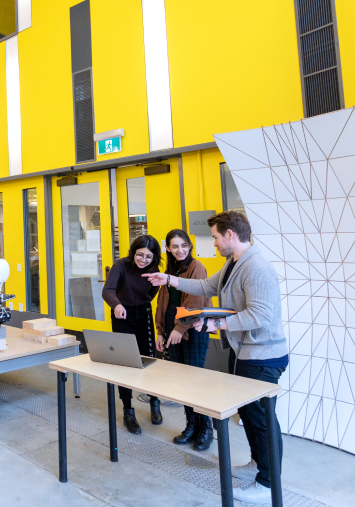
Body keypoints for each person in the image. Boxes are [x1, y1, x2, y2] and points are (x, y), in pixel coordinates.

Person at [143, 211, 287, 505]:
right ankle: (257, 466)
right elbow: (206, 287)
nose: (214, 243)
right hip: (244, 353)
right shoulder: (234, 264)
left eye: (216, 237)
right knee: (247, 413)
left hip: (263, 355)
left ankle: (269, 483)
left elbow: (260, 315)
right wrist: (169, 279)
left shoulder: (256, 267)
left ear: (231, 235)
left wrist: (215, 324)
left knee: (261, 418)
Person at [154, 229, 214, 451]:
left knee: (195, 379)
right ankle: (191, 425)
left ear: (189, 246)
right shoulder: (169, 270)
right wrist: (161, 330)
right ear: (168, 248)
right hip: (172, 324)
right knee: (181, 379)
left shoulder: (196, 267)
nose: (179, 250)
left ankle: (205, 428)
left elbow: (196, 299)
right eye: (174, 246)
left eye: (183, 245)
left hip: (193, 326)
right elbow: (163, 302)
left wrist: (180, 328)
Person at [102, 234, 163, 435]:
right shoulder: (121, 265)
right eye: (140, 255)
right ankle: (128, 409)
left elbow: (152, 293)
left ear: (154, 258)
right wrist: (117, 305)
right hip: (122, 314)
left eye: (148, 257)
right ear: (133, 252)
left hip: (143, 313)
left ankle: (155, 401)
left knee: (150, 358)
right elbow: (107, 291)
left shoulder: (154, 270)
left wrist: (143, 301)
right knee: (125, 362)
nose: (143, 260)